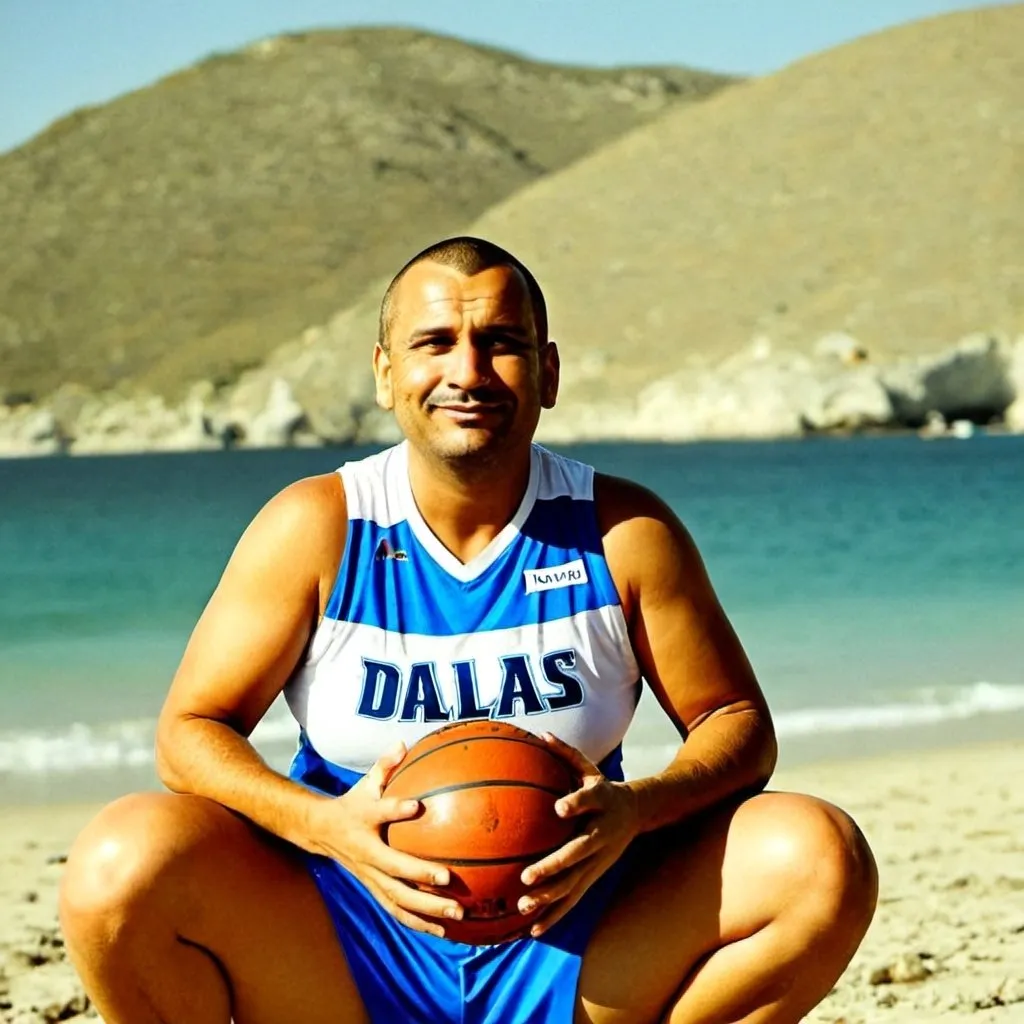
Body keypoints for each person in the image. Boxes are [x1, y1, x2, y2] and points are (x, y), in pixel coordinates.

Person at [59, 236, 878, 1024]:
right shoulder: (319, 527)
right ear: (386, 374)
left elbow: (736, 726)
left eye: (501, 342)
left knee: (818, 856)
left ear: (548, 372)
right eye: (434, 343)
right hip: (349, 933)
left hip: (577, 938)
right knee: (119, 866)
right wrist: (327, 826)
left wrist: (635, 808)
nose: (467, 371)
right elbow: (188, 735)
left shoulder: (621, 530)